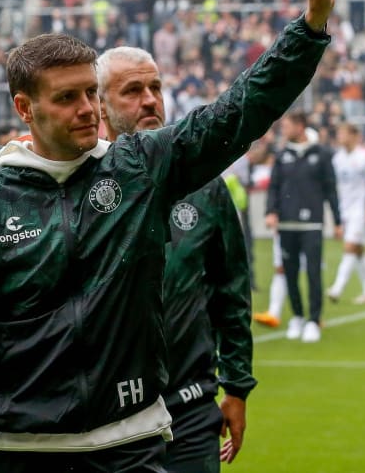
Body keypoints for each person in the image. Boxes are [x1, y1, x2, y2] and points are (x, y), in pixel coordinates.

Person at [0, 0, 334, 472]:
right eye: (67, 98)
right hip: (16, 449)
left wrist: (308, 29)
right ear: (26, 109)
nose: (87, 109)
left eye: (90, 93)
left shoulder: (138, 167)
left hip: (130, 444)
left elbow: (238, 112)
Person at [97, 46, 256, 471]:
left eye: (155, 87)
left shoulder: (206, 189)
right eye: (132, 90)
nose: (150, 99)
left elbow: (232, 293)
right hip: (108, 422)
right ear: (100, 106)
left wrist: (237, 388)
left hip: (190, 413)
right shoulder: (83, 187)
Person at [264, 111, 341, 343]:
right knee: (290, 273)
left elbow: (331, 190)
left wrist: (338, 221)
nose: (283, 130)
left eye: (286, 126)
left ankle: (314, 320)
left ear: (300, 126)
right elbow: (274, 186)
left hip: (312, 224)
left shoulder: (321, 154)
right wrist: (271, 211)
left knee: (314, 272)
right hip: (286, 224)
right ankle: (297, 316)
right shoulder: (282, 155)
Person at [326, 123, 365, 305]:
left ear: (355, 135)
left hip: (359, 209)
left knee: (350, 247)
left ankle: (337, 288)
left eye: (343, 133)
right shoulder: (338, 158)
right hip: (344, 209)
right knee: (359, 251)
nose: (340, 136)